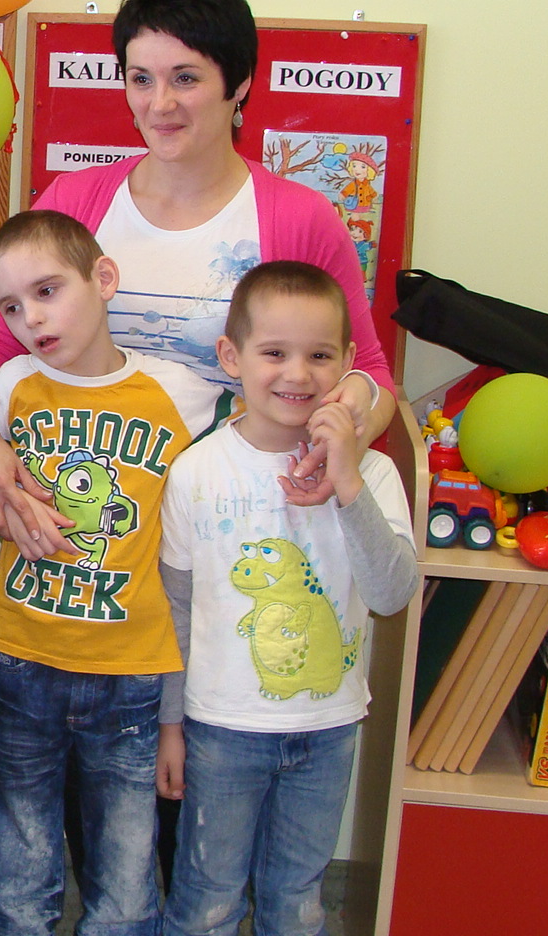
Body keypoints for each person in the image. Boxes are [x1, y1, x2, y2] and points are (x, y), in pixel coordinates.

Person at [0, 0, 393, 559]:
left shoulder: (299, 219)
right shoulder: (75, 203)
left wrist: (349, 428)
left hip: (234, 531)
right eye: (141, 79)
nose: (159, 104)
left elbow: (368, 372)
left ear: (238, 83)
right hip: (90, 539)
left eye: (185, 78)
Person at [0, 211, 231, 936]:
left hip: (130, 666)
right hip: (22, 657)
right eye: (10, 306)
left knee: (125, 859)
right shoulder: (9, 386)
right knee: (19, 853)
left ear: (103, 278)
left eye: (47, 291)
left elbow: (250, 435)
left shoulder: (182, 391)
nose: (31, 318)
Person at [156, 261, 417, 936]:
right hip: (220, 730)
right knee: (207, 899)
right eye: (274, 353)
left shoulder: (375, 474)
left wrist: (348, 481)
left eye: (320, 356)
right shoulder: (196, 472)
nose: (298, 374)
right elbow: (175, 612)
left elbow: (391, 594)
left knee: (297, 901)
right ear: (231, 357)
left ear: (349, 363)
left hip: (328, 729)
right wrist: (169, 726)